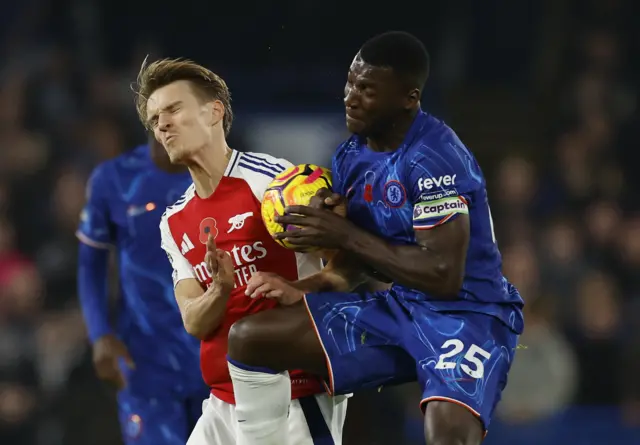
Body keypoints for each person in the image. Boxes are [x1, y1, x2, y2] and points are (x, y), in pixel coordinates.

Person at [225, 31, 525, 445]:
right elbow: (353, 267)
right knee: (250, 338)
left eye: (366, 89)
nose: (350, 96)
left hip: (468, 314)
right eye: (350, 82)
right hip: (399, 308)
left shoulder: (436, 157)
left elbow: (443, 275)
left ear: (408, 97)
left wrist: (344, 233)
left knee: (447, 434)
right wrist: (304, 287)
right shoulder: (350, 157)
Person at [132, 57, 348, 445]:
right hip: (221, 404)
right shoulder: (173, 221)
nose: (161, 125)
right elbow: (194, 322)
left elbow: (346, 264)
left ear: (215, 111)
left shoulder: (274, 183)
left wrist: (303, 288)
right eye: (154, 120)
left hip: (292, 395)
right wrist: (220, 289)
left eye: (173, 110)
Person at [76, 134, 208, 445]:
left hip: (219, 360)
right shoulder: (116, 179)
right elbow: (89, 263)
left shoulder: (232, 177)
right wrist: (100, 334)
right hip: (146, 362)